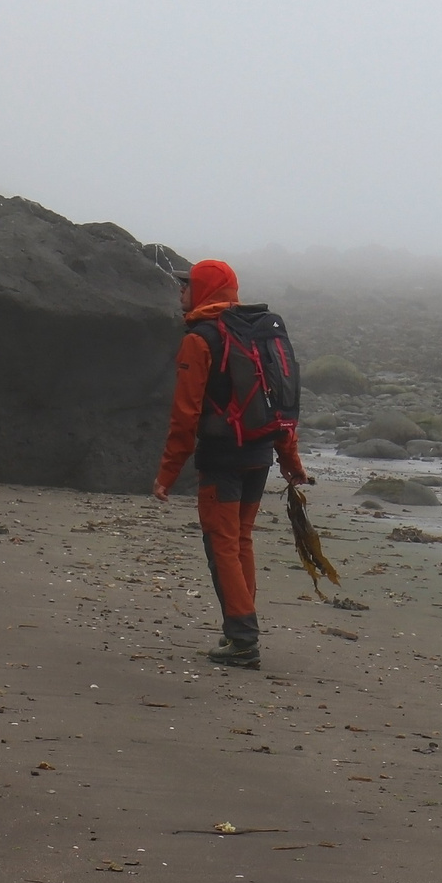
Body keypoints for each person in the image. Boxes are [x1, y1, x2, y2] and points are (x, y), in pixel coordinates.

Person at [153, 258, 308, 668]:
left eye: (187, 287)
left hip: (222, 459)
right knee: (240, 540)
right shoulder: (255, 333)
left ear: (203, 290)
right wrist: (290, 459)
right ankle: (240, 631)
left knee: (222, 543)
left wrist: (167, 475)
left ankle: (242, 639)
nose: (182, 294)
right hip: (260, 454)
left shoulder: (200, 339)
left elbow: (184, 415)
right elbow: (277, 404)